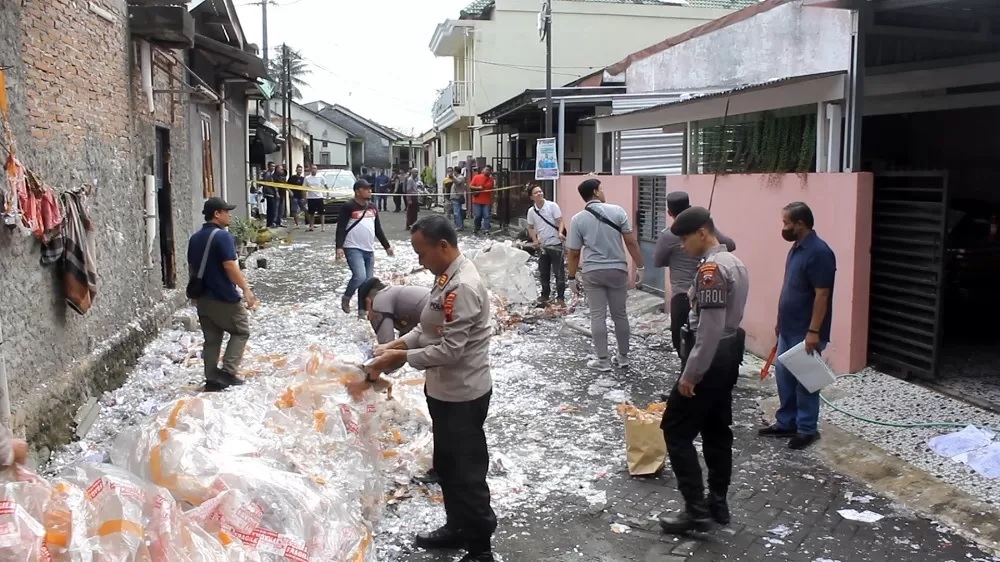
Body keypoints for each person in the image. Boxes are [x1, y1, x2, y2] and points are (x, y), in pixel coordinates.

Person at [363, 215, 497, 562]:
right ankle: (456, 527)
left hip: (464, 393)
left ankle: (481, 546)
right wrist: (395, 346)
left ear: (443, 246)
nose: (419, 261)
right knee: (447, 464)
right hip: (442, 390)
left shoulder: (463, 286)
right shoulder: (443, 278)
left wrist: (402, 358)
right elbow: (428, 329)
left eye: (422, 253)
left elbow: (450, 350)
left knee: (467, 471)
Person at [657, 206, 749, 535]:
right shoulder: (734, 261)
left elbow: (708, 330)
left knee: (675, 430)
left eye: (684, 238)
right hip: (728, 356)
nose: (682, 245)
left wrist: (690, 374)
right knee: (716, 429)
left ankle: (696, 512)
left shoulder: (711, 270)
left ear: (702, 233)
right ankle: (718, 504)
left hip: (710, 358)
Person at [759, 201, 836, 450]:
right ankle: (787, 422)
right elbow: (791, 288)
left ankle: (807, 429)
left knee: (805, 380)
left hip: (807, 332)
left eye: (786, 223)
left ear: (800, 223)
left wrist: (814, 331)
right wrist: (780, 323)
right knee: (783, 376)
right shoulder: (796, 249)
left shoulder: (819, 253)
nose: (783, 227)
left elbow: (822, 295)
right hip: (789, 329)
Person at [566, 178, 644, 372]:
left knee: (597, 316)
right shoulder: (618, 211)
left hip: (593, 272)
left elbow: (574, 252)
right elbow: (631, 242)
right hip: (618, 270)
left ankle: (603, 360)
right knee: (620, 315)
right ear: (595, 192)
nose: (603, 192)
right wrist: (641, 266)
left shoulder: (577, 219)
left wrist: (571, 277)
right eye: (601, 189)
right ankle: (623, 357)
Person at [187, 197, 258, 391]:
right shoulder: (223, 237)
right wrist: (245, 288)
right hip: (223, 296)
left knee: (212, 339)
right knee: (241, 330)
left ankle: (211, 377)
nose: (230, 214)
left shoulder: (195, 238)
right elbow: (230, 266)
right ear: (217, 214)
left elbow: (193, 267)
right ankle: (227, 373)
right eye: (226, 211)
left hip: (202, 297)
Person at [654, 191, 736, 358]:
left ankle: (689, 373)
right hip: (708, 293)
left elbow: (658, 261)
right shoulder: (703, 229)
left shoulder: (668, 235)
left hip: (682, 294)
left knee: (682, 340)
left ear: (669, 213)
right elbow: (730, 245)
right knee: (705, 337)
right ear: (689, 206)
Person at [336, 179, 394, 316]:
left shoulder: (372, 207)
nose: (370, 191)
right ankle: (347, 297)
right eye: (366, 189)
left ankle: (362, 311)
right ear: (357, 191)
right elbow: (341, 228)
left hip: (369, 249)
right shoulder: (348, 206)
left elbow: (377, 228)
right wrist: (339, 247)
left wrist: (387, 246)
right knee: (359, 276)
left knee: (367, 283)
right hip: (352, 247)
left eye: (370, 188)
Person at [525, 183, 567, 307]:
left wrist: (560, 232)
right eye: (536, 193)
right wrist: (535, 240)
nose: (540, 193)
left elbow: (560, 221)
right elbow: (531, 227)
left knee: (559, 272)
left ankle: (560, 297)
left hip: (556, 244)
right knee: (543, 271)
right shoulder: (532, 211)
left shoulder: (552, 206)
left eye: (540, 191)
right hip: (543, 246)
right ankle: (545, 295)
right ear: (531, 197)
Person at [358, 277, 430, 344]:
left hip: (433, 316)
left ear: (368, 302)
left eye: (367, 311)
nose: (368, 318)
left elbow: (386, 344)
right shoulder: (397, 294)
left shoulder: (379, 300)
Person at [469, 165, 495, 235]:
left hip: (487, 201)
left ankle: (486, 229)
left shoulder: (491, 180)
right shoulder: (476, 177)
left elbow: (492, 190)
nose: (487, 171)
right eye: (486, 169)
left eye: (489, 170)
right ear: (483, 170)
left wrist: (492, 201)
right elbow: (470, 186)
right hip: (477, 200)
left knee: (486, 215)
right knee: (478, 215)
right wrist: (478, 188)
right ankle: (477, 227)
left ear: (490, 171)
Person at [303, 165, 327, 232]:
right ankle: (311, 226)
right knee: (311, 213)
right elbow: (304, 188)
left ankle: (323, 227)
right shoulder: (307, 178)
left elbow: (325, 184)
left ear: (317, 169)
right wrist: (304, 198)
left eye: (315, 169)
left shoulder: (320, 177)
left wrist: (327, 193)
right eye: (312, 168)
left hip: (319, 197)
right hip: (311, 197)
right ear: (310, 169)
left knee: (321, 213)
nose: (314, 170)